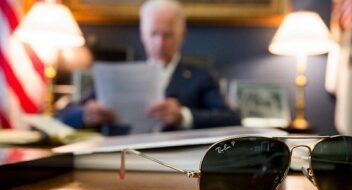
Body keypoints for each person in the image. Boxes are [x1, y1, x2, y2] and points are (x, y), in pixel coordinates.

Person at [57, 0, 240, 135]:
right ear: (142, 34)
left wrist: (183, 116)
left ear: (182, 36)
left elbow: (231, 119)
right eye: (153, 34)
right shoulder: (119, 76)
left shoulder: (200, 77)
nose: (160, 43)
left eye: (167, 35)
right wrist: (85, 115)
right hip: (116, 158)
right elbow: (64, 114)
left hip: (174, 162)